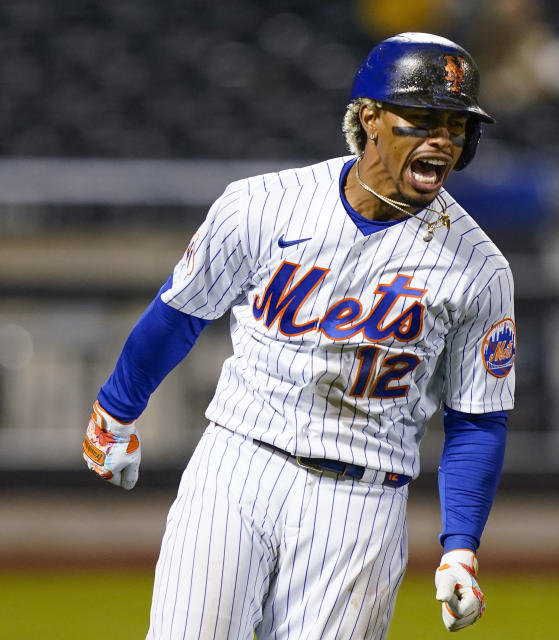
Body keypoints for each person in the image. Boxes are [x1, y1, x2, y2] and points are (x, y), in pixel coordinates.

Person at [81, 32, 515, 639]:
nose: (443, 139)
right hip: (238, 465)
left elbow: (478, 418)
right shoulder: (263, 205)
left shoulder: (480, 267)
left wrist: (460, 546)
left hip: (362, 501)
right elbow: (181, 312)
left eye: (457, 125)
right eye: (422, 119)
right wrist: (113, 411)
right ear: (369, 120)